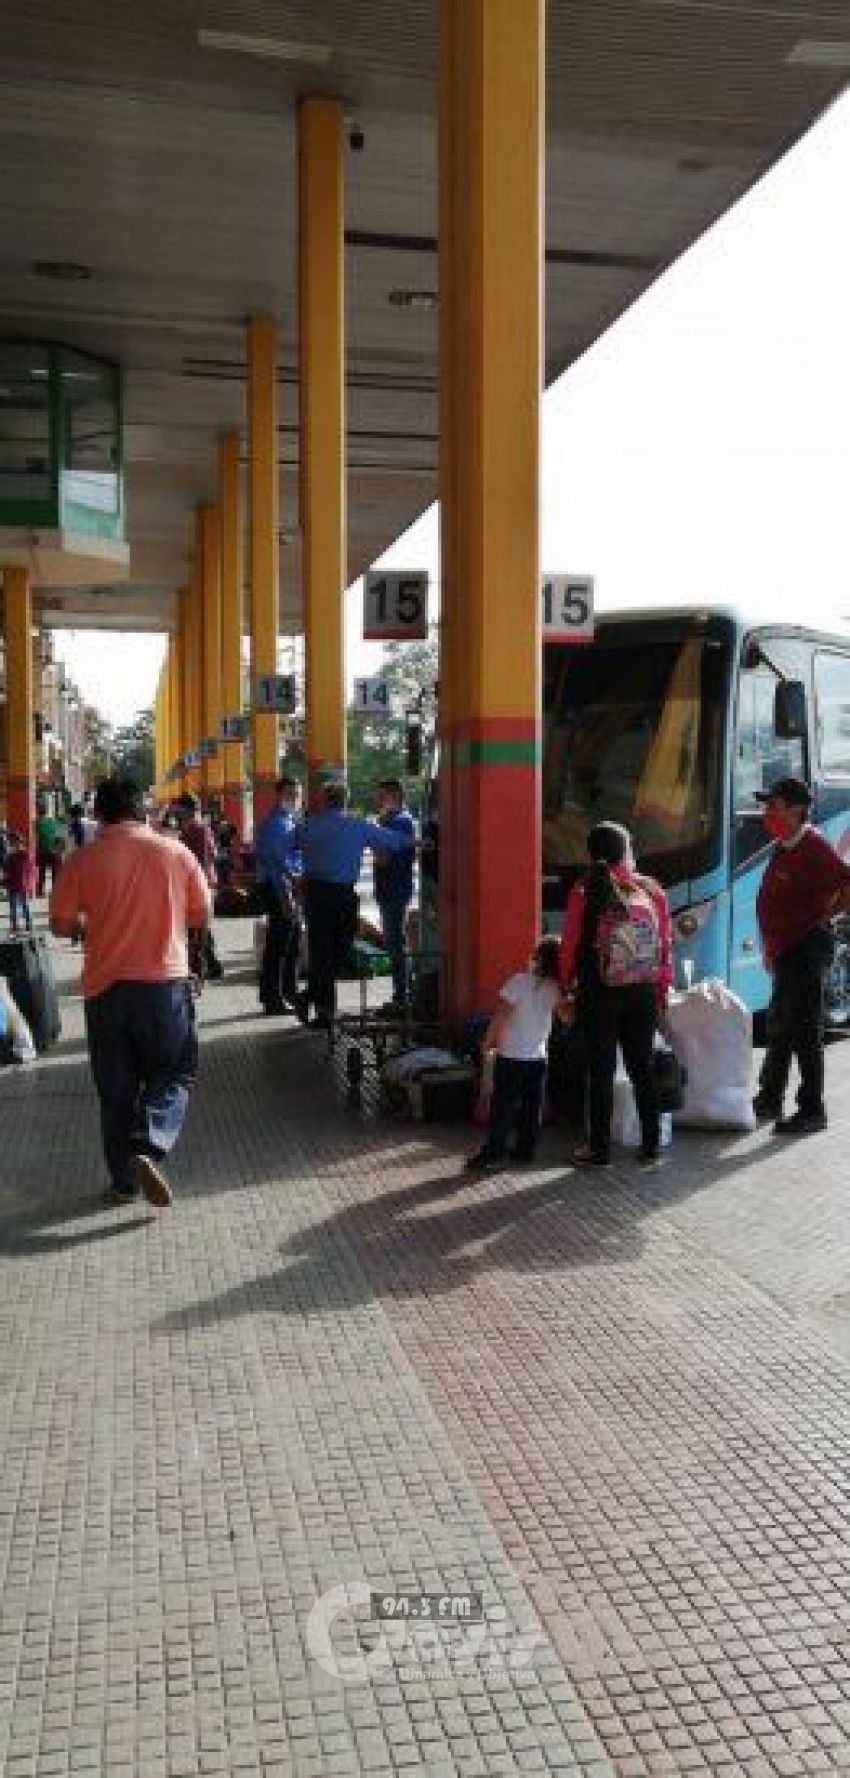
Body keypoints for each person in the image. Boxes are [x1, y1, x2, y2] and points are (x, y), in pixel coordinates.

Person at [49, 775, 212, 1208]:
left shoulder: (83, 860)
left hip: (105, 989)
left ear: (98, 814)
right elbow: (201, 913)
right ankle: (149, 1142)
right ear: (143, 811)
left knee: (115, 1090)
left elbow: (61, 924)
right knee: (174, 1072)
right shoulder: (177, 852)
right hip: (163, 988)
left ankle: (123, 1184)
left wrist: (90, 924)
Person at [559, 821, 672, 1167]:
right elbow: (665, 944)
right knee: (642, 1068)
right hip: (643, 990)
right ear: (625, 851)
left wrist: (567, 986)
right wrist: (662, 989)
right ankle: (651, 1148)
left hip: (599, 991)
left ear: (590, 853)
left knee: (601, 1073)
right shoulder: (650, 889)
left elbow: (571, 943)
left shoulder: (584, 888)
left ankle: (599, 1151)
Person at [752, 777, 850, 1135]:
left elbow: (846, 885)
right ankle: (769, 1098)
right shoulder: (784, 844)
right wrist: (770, 945)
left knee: (806, 1032)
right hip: (786, 948)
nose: (767, 814)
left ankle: (812, 1110)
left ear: (795, 812)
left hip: (806, 949)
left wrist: (821, 919)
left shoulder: (815, 847)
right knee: (779, 1026)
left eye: (773, 806)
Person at [297, 780, 415, 1025]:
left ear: (324, 800)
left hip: (314, 894)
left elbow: (276, 850)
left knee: (321, 952)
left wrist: (289, 876)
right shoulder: (358, 826)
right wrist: (419, 843)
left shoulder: (307, 826)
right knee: (341, 948)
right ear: (346, 800)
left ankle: (321, 1009)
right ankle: (316, 1001)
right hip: (341, 895)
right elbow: (393, 840)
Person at [465, 937, 563, 1174]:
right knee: (532, 1107)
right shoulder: (555, 988)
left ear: (537, 958)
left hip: (511, 1056)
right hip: (538, 1058)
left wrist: (487, 1043)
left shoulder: (518, 982)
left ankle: (493, 1154)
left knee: (503, 1108)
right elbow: (567, 1017)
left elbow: (501, 1015)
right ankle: (525, 1151)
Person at [254, 776, 303, 1015]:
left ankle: (287, 992)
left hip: (288, 889)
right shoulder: (277, 825)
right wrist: (286, 898)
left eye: (297, 794)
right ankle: (274, 998)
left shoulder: (288, 821)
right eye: (289, 794)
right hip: (280, 891)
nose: (294, 799)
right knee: (280, 946)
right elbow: (277, 866)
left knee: (289, 944)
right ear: (279, 795)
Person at [373, 778, 416, 1008]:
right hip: (390, 888)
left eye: (381, 797)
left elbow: (383, 857)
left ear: (395, 796)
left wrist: (376, 842)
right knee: (394, 942)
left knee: (395, 943)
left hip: (395, 889)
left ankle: (403, 994)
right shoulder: (391, 820)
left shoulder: (398, 822)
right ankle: (403, 991)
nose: (377, 801)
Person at [177, 793, 224, 980]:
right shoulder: (190, 827)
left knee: (198, 928)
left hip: (201, 882)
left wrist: (200, 884)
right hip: (197, 881)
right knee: (200, 927)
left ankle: (201, 967)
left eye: (179, 809)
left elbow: (203, 859)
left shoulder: (199, 829)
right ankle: (210, 964)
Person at [4, 831, 35, 934]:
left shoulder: (17, 856)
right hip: (19, 885)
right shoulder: (26, 854)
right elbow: (31, 871)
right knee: (21, 906)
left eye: (11, 842)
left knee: (19, 906)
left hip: (18, 884)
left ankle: (19, 926)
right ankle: (23, 926)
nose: (10, 844)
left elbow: (8, 871)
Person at [35, 803, 66, 895]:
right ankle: (56, 891)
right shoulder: (54, 822)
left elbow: (35, 838)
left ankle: (40, 891)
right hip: (55, 852)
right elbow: (60, 836)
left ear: (38, 812)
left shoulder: (37, 823)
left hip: (43, 851)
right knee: (55, 873)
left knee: (41, 872)